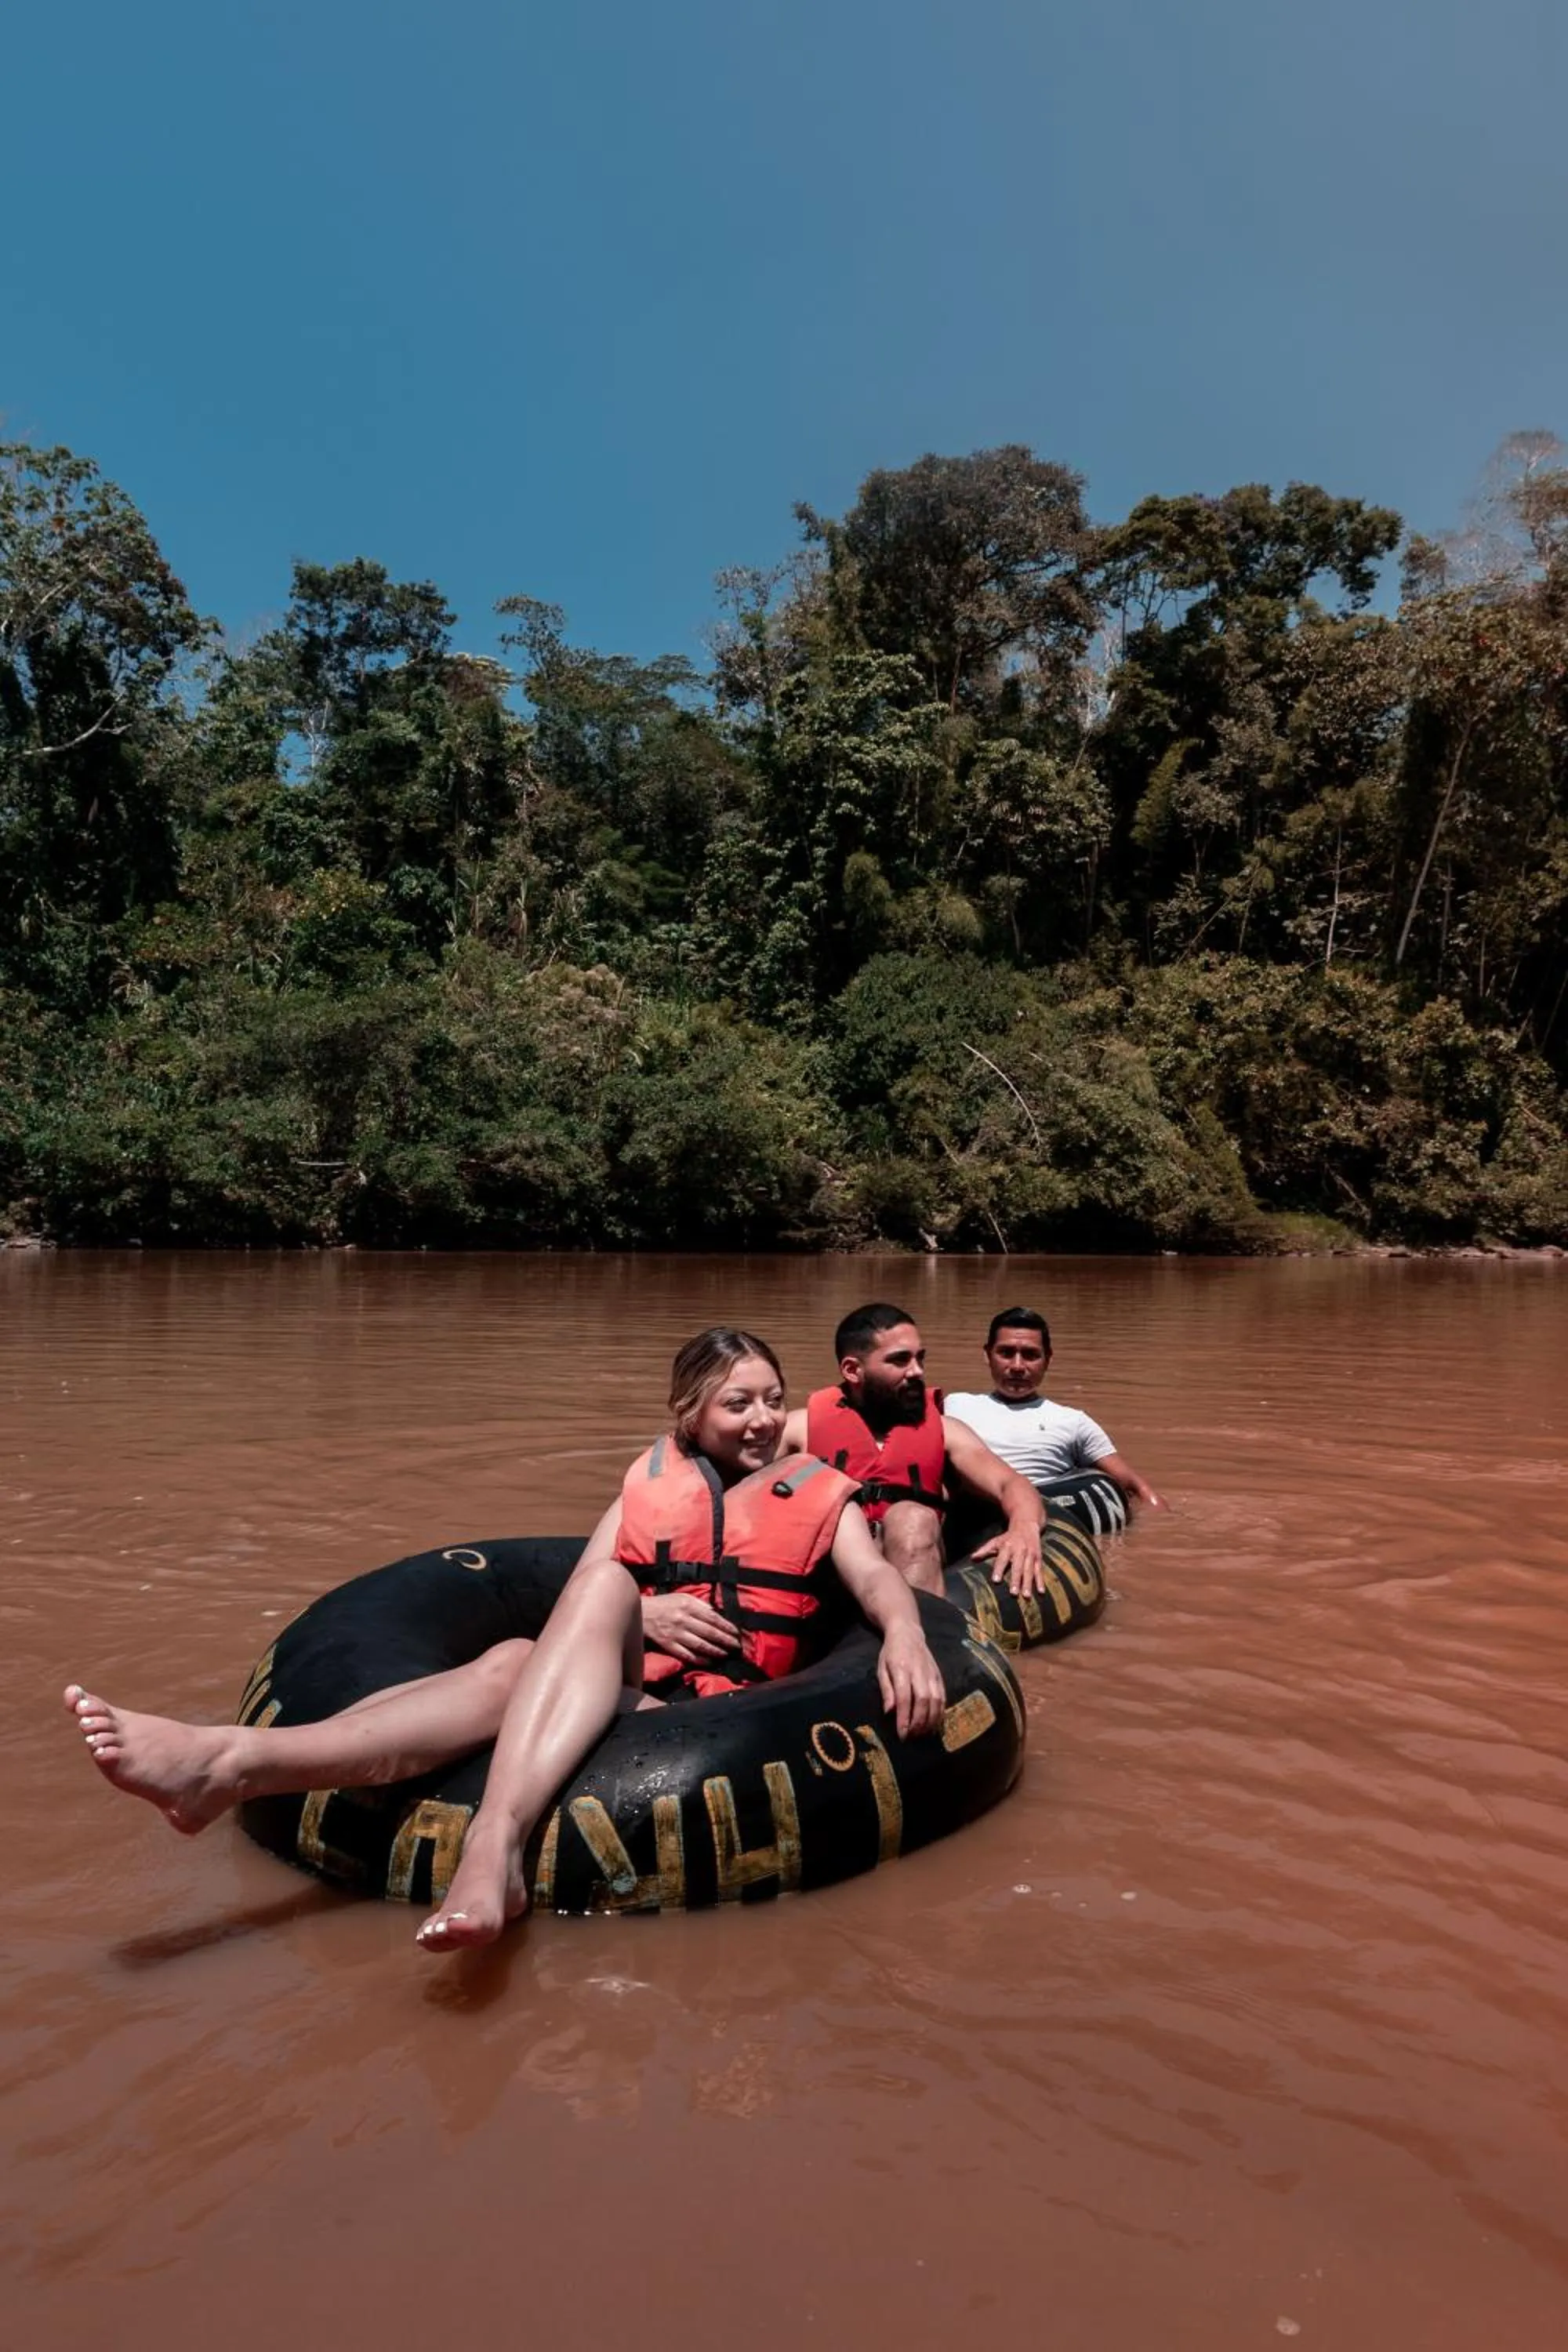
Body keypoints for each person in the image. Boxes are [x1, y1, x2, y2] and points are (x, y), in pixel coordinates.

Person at [65, 1327, 946, 1956]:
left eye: (771, 1401)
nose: (760, 1420)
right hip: (635, 1694)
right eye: (735, 1404)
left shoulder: (817, 1495)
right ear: (688, 1411)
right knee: (548, 1632)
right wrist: (648, 1614)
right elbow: (583, 1596)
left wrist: (905, 1633)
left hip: (739, 1722)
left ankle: (472, 1841)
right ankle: (230, 1764)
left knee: (537, 1648)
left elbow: (872, 1583)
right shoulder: (649, 1485)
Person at [779, 1302, 1050, 1601]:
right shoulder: (799, 1428)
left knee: (911, 1519)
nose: (917, 1371)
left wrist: (1024, 1528)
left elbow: (1011, 1484)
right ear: (853, 1370)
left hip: (911, 1559)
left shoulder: (947, 1431)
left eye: (920, 1358)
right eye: (900, 1361)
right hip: (828, 1575)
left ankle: (921, 1635)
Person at [945, 1306, 1163, 1512]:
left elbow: (1136, 1488)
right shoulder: (954, 1406)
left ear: (1048, 1360)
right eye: (1006, 1353)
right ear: (987, 1355)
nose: (1018, 1366)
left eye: (1031, 1355)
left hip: (1046, 1518)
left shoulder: (1073, 1422)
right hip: (966, 1518)